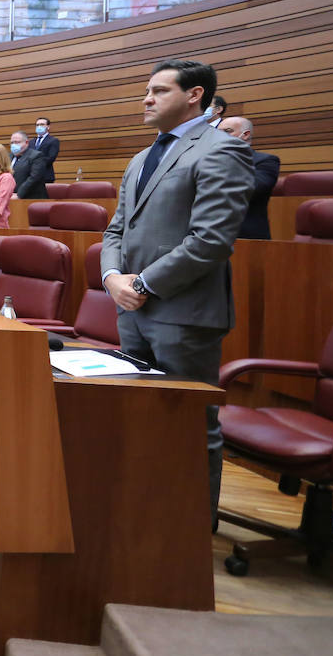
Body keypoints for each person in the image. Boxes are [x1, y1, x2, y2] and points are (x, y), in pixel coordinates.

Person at [101, 58, 254, 526]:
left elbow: (210, 240)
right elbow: (114, 232)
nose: (146, 99)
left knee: (189, 426)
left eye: (158, 90)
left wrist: (143, 283)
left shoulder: (220, 149)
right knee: (142, 419)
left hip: (184, 315)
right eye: (146, 90)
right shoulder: (141, 157)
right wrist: (112, 279)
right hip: (132, 310)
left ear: (195, 96)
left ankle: (189, 537)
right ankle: (145, 519)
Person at [218, 116, 280, 240]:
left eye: (227, 131)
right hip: (208, 234)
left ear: (245, 135)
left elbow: (253, 188)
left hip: (246, 236)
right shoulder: (209, 161)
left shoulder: (266, 161)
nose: (219, 136)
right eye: (217, 132)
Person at [8, 130, 48, 199]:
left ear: (26, 143)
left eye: (17, 142)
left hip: (31, 198)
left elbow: (34, 178)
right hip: (11, 197)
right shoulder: (9, 156)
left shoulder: (36, 156)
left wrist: (19, 194)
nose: (14, 145)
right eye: (12, 143)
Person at [29, 117, 60, 182]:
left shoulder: (53, 141)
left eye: (42, 124)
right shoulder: (31, 142)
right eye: (37, 125)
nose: (39, 126)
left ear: (48, 127)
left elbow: (51, 158)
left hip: (46, 176)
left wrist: (35, 163)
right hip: (31, 176)